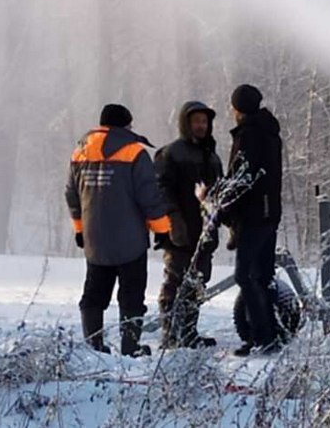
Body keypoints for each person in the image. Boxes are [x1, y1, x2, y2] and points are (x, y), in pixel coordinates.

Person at [66, 103, 171, 357]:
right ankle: (131, 347)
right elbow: (149, 196)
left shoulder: (80, 152)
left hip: (95, 240)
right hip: (130, 240)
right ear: (125, 125)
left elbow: (72, 195)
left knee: (93, 294)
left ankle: (94, 346)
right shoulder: (134, 152)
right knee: (131, 295)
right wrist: (162, 230)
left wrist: (80, 229)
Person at [154, 101, 222, 348]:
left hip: (204, 232)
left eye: (204, 122)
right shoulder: (170, 153)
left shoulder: (212, 156)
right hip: (179, 231)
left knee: (197, 284)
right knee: (174, 283)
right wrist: (172, 218)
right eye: (196, 121)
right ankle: (171, 335)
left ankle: (189, 332)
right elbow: (161, 189)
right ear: (186, 123)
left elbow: (220, 192)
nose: (201, 126)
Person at [221, 84, 283, 356]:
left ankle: (263, 336)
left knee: (245, 276)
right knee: (262, 274)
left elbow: (241, 179)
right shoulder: (269, 132)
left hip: (254, 215)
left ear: (237, 110)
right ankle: (271, 332)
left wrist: (224, 207)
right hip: (270, 212)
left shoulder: (248, 136)